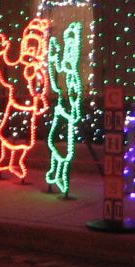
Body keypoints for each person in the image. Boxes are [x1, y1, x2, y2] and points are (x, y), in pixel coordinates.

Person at [0, 17, 51, 180]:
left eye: (35, 47)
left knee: (24, 140)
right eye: (29, 45)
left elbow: (41, 90)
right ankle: (5, 159)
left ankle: (17, 162)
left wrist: (41, 100)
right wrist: (0, 54)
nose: (31, 50)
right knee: (7, 134)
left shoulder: (39, 72)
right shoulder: (18, 66)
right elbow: (6, 76)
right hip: (14, 106)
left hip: (28, 109)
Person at [45, 22, 83, 197]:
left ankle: (59, 175)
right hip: (61, 111)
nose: (68, 51)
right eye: (68, 46)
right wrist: (53, 57)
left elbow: (74, 98)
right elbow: (55, 83)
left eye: (71, 47)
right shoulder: (64, 71)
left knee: (65, 151)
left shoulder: (72, 76)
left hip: (66, 114)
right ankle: (55, 172)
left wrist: (72, 111)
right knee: (53, 141)